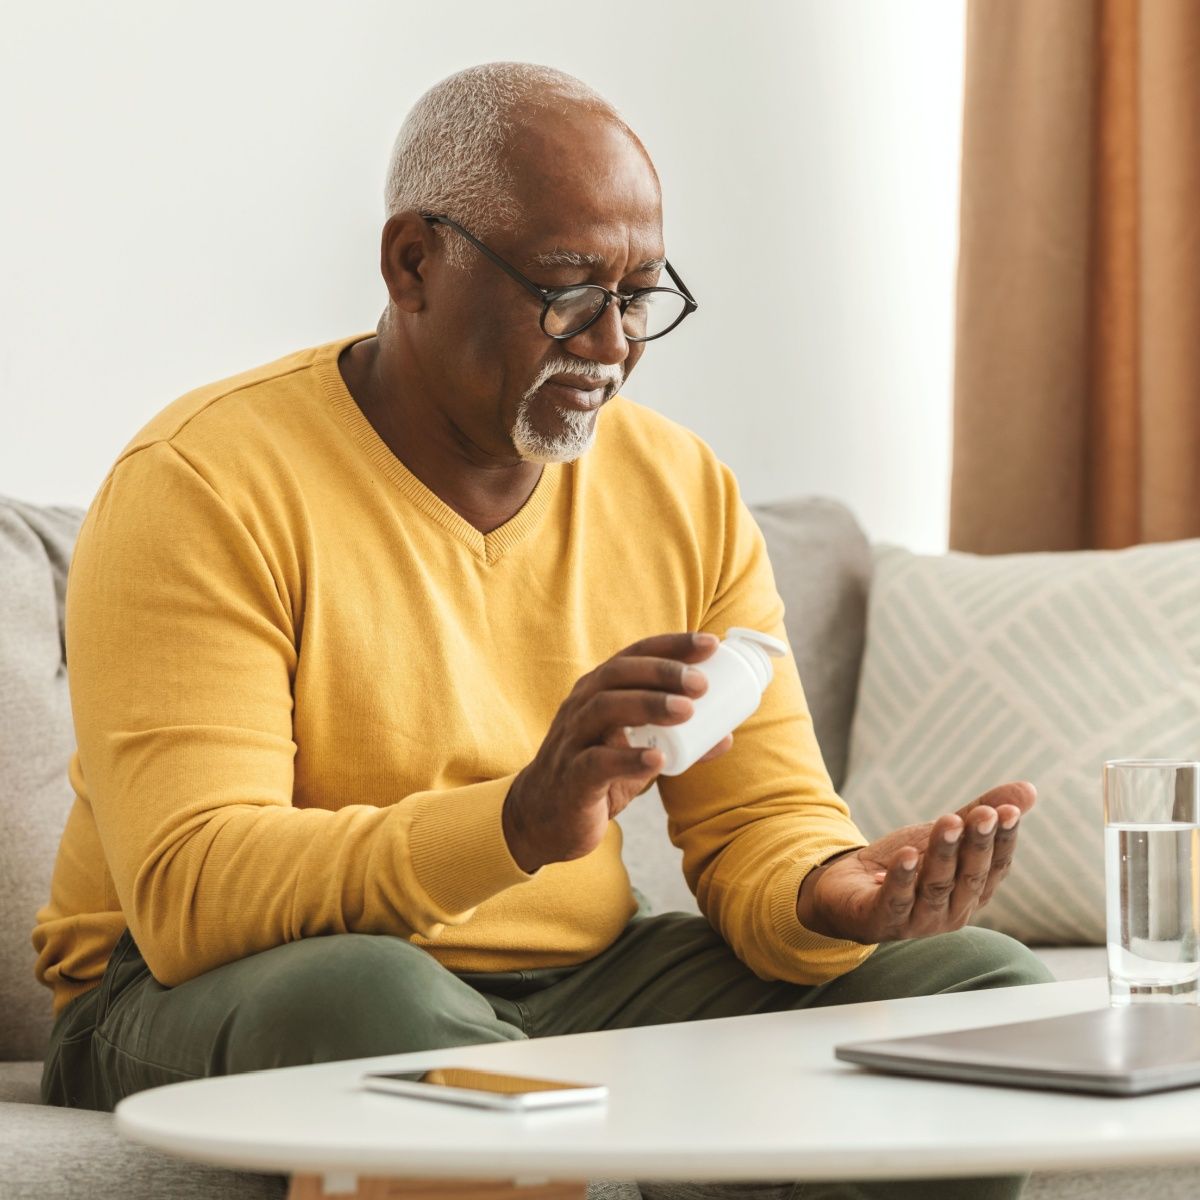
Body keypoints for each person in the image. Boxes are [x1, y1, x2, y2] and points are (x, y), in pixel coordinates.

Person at [34, 62, 1050, 1199]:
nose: (612, 342)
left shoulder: (681, 490)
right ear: (413, 263)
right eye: (568, 287)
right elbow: (191, 896)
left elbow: (760, 818)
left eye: (640, 294)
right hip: (215, 990)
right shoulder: (205, 482)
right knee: (375, 1003)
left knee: (982, 994)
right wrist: (515, 823)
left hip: (581, 976)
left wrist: (829, 893)